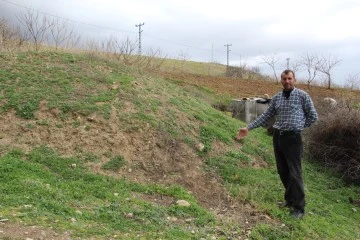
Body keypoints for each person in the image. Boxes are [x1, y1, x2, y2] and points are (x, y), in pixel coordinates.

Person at [236, 69, 318, 218]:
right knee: (283, 171)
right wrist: (248, 128)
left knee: (295, 173)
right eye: (284, 79)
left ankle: (299, 208)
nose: (287, 81)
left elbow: (313, 116)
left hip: (293, 139)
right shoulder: (277, 98)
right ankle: (290, 200)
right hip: (278, 137)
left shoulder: (302, 96)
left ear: (294, 80)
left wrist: (298, 126)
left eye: (289, 78)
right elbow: (266, 115)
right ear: (281, 80)